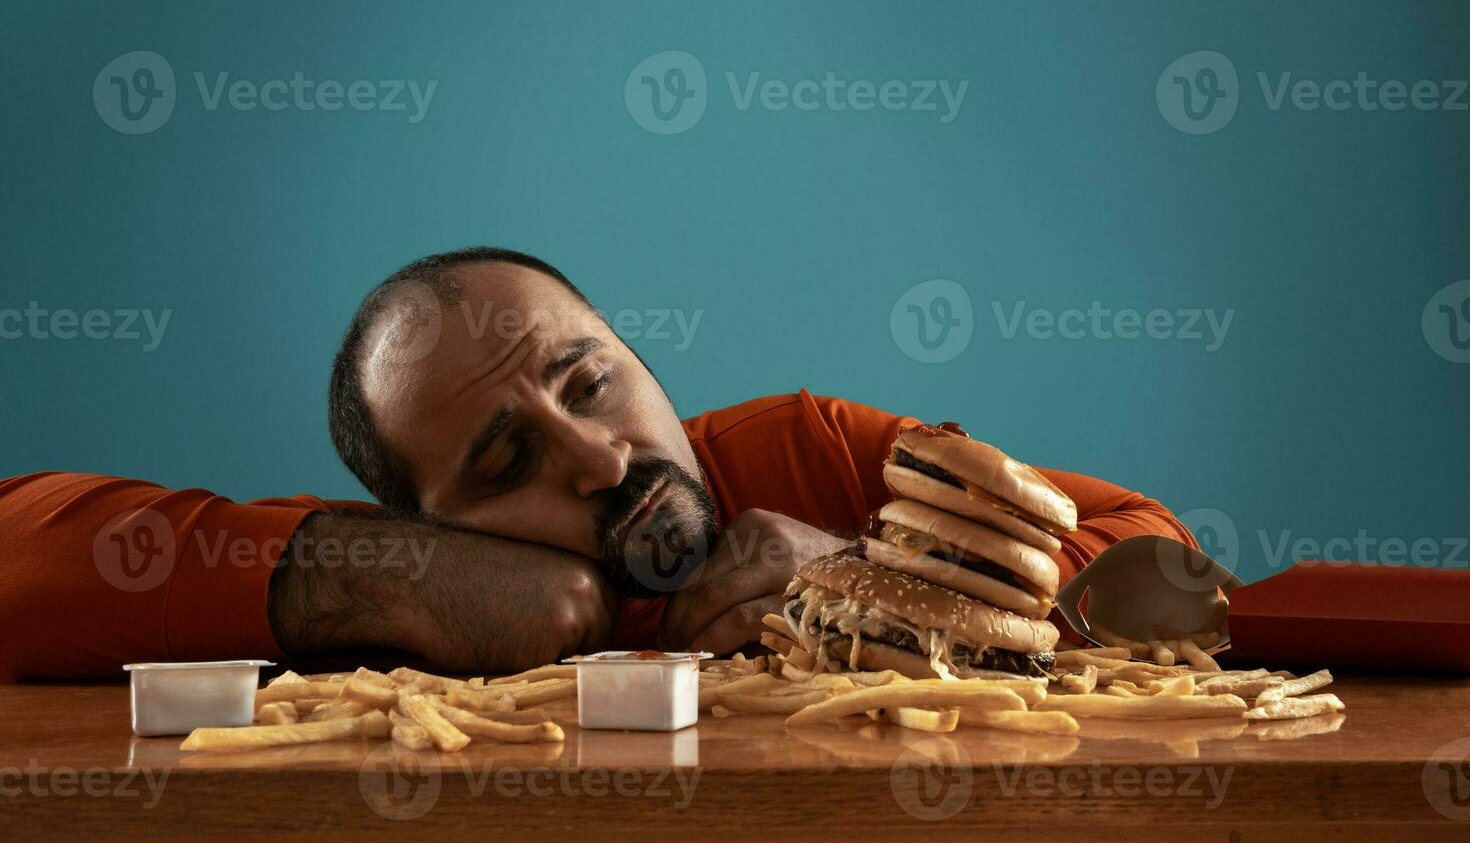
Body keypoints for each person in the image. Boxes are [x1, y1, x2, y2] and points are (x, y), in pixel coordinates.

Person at [0, 248, 1195, 681]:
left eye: (590, 382)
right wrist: (385, 584)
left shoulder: (815, 450)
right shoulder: (391, 579)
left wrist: (881, 578)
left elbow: (1168, 566)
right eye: (508, 453)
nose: (599, 455)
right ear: (425, 519)